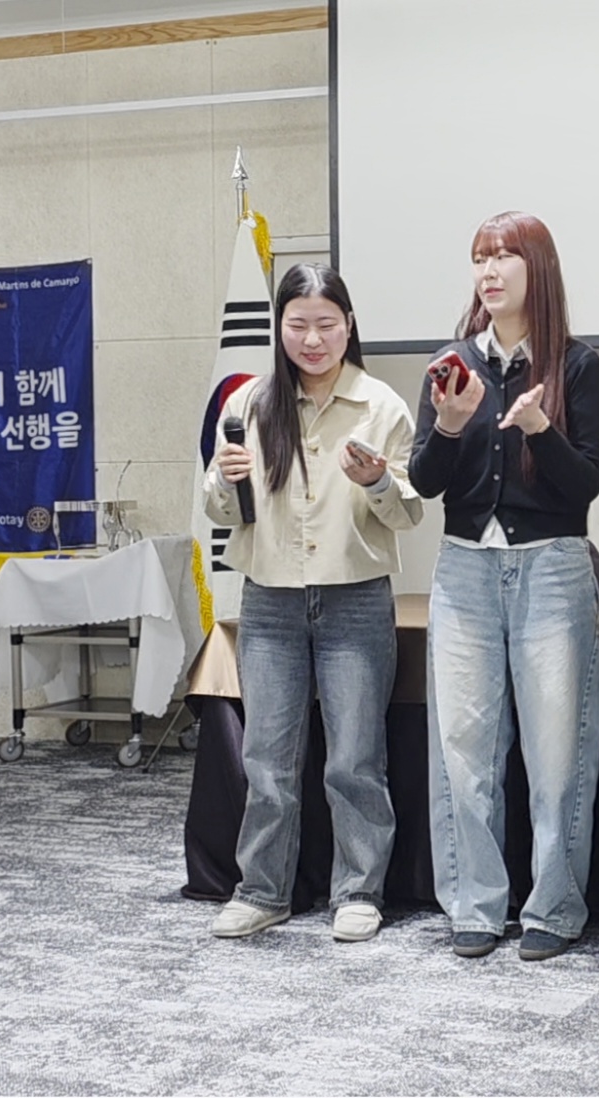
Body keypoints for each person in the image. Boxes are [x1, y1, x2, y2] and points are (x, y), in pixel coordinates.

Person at [410, 211, 599, 961]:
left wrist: (538, 431)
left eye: (503, 257)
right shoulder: (452, 365)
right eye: (479, 259)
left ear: (538, 269)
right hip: (465, 566)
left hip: (552, 566)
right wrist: (451, 424)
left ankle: (554, 907)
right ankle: (475, 903)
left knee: (557, 754)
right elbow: (425, 481)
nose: (488, 272)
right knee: (464, 752)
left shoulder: (577, 367)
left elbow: (585, 484)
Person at [204, 263, 423, 943]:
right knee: (267, 758)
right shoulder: (249, 403)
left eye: (326, 324)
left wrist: (378, 481)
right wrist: (223, 481)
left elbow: (408, 514)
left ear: (349, 326)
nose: (312, 339)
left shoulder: (381, 406)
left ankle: (358, 891)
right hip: (269, 600)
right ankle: (262, 890)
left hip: (354, 600)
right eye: (297, 324)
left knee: (354, 758)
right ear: (279, 329)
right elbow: (221, 511)